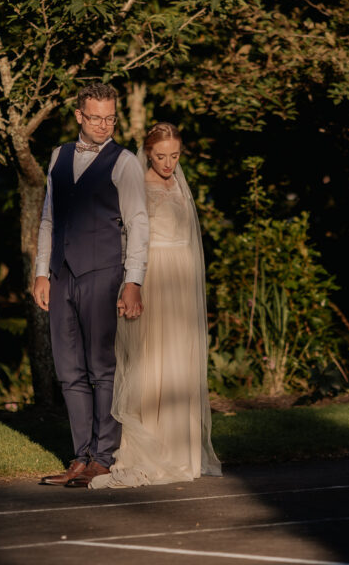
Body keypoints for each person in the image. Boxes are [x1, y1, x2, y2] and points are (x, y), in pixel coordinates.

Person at [89, 122, 222, 489]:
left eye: (174, 156)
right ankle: (146, 447)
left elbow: (189, 239)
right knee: (150, 360)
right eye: (161, 156)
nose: (168, 163)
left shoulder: (180, 184)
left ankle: (181, 451)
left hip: (182, 281)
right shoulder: (139, 186)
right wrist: (133, 284)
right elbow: (131, 236)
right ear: (148, 153)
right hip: (154, 276)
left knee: (180, 361)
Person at [32, 83, 149, 488]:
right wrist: (41, 271)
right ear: (79, 116)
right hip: (61, 273)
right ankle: (80, 456)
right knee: (68, 371)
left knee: (102, 368)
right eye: (95, 117)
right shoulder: (58, 156)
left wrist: (133, 281)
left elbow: (138, 224)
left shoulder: (125, 162)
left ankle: (104, 455)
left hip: (104, 272)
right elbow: (49, 217)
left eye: (110, 117)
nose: (104, 125)